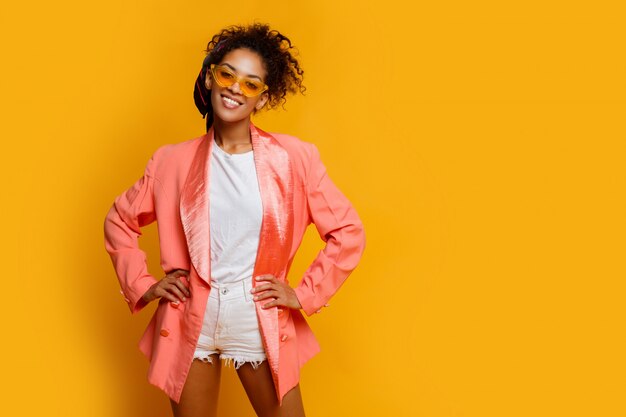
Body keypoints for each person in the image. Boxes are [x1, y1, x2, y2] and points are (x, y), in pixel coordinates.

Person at [103, 23, 366, 417]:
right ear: (210, 77)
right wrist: (144, 285)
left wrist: (305, 294)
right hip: (192, 315)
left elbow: (348, 231)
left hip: (256, 316)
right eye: (227, 74)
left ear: (262, 98)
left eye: (251, 83)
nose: (234, 89)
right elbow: (119, 221)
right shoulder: (171, 161)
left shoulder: (295, 159)